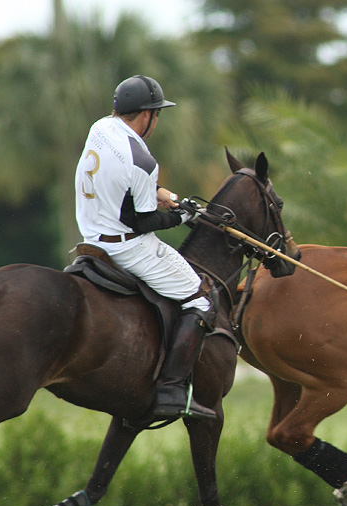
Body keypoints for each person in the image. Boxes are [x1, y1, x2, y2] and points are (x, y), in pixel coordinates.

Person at [75, 74, 215, 423]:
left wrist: (160, 192)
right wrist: (183, 216)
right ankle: (171, 389)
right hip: (127, 246)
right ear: (148, 115)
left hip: (90, 236)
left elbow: (121, 182)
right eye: (158, 114)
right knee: (200, 299)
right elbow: (144, 222)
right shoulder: (144, 161)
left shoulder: (101, 128)